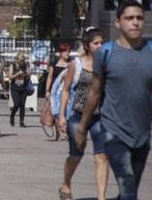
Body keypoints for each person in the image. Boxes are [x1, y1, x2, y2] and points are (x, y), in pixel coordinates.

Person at [75, 0, 152, 200]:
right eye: (129, 18)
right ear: (118, 22)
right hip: (113, 130)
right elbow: (95, 92)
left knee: (129, 188)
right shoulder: (105, 53)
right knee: (128, 187)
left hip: (142, 133)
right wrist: (82, 126)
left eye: (139, 18)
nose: (135, 22)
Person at [57, 27, 109, 200]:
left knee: (101, 155)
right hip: (78, 117)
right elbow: (65, 90)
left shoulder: (106, 65)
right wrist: (62, 116)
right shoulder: (76, 64)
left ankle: (101, 197)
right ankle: (66, 182)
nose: (100, 46)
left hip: (99, 117)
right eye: (96, 43)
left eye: (102, 42)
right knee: (76, 155)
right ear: (87, 45)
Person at [45, 44, 72, 140]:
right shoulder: (54, 63)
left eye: (69, 51)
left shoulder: (71, 63)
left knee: (66, 111)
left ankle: (64, 131)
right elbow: (50, 77)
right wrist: (47, 91)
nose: (67, 53)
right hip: (55, 91)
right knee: (56, 111)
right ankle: (60, 131)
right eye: (65, 51)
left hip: (66, 90)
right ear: (60, 53)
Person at [8, 53, 30, 128]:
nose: (21, 61)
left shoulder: (25, 66)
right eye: (20, 60)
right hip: (15, 87)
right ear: (16, 59)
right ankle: (12, 116)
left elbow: (29, 75)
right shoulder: (13, 65)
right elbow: (10, 77)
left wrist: (26, 73)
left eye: (23, 60)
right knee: (16, 104)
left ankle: (22, 121)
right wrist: (17, 74)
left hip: (23, 87)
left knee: (22, 105)